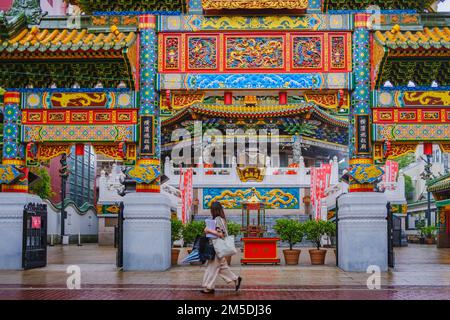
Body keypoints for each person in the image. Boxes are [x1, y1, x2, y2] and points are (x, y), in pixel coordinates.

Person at [201, 201, 242, 294]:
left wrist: (208, 230)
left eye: (211, 209)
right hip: (217, 248)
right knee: (222, 268)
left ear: (214, 210)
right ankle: (236, 279)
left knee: (212, 268)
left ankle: (208, 287)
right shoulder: (221, 219)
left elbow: (221, 234)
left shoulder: (218, 219)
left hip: (217, 248)